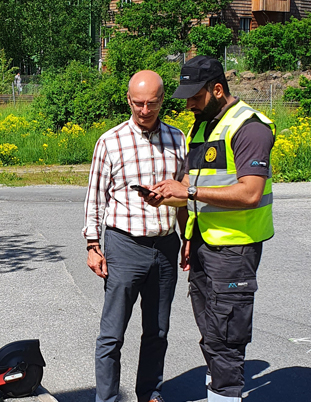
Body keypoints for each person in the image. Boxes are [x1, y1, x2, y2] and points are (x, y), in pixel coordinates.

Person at [145, 56, 275, 402]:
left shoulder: (250, 127)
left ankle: (225, 395)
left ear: (218, 89)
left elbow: (250, 192)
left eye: (194, 96)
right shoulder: (203, 126)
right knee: (210, 331)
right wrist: (170, 203)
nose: (188, 105)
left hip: (236, 247)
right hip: (204, 243)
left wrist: (185, 192)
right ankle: (220, 391)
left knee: (226, 334)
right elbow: (192, 185)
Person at [82, 70, 188, 402]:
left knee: (157, 331)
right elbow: (95, 197)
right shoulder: (110, 142)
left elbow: (187, 194)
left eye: (152, 104)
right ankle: (108, 398)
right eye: (139, 103)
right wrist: (92, 244)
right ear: (128, 100)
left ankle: (150, 394)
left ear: (162, 101)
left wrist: (188, 240)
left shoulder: (178, 139)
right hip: (124, 245)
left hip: (166, 245)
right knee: (112, 334)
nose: (145, 111)